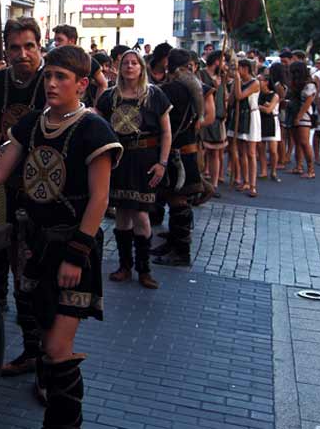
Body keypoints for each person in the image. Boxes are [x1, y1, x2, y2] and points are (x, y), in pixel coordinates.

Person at [0, 45, 121, 427]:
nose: (51, 84)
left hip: (74, 250)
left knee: (56, 347)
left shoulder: (94, 129)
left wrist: (76, 254)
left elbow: (100, 199)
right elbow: (2, 171)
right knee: (44, 343)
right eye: (49, 76)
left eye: (61, 78)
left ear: (82, 84)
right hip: (36, 246)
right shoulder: (34, 123)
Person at [0, 17, 47, 374]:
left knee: (33, 271)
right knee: (1, 244)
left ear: (40, 46)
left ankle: (38, 350)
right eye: (16, 47)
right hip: (6, 177)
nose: (22, 54)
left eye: (29, 46)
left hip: (44, 187)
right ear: (6, 48)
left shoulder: (52, 80)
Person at [96, 49, 170, 290]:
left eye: (134, 63)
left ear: (141, 67)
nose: (129, 66)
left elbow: (166, 132)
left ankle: (144, 269)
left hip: (145, 160)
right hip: (119, 159)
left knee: (141, 213)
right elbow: (95, 122)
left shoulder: (154, 95)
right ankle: (124, 265)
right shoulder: (110, 96)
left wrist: (162, 163)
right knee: (122, 213)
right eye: (126, 62)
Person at [153, 49, 204, 266]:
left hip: (179, 152)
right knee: (174, 197)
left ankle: (181, 251)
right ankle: (174, 242)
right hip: (184, 149)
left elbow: (167, 122)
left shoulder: (174, 89)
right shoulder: (189, 87)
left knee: (178, 199)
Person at [233, 59, 261, 196]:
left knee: (251, 152)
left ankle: (253, 184)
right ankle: (245, 181)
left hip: (251, 117)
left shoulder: (255, 82)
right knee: (241, 151)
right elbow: (233, 98)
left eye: (239, 68)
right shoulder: (238, 82)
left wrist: (237, 81)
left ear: (245, 69)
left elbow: (240, 96)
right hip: (240, 116)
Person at [201, 50, 227, 188]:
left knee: (215, 153)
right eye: (223, 61)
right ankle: (200, 181)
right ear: (217, 61)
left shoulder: (222, 76)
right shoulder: (201, 74)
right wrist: (214, 87)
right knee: (202, 151)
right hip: (205, 118)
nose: (224, 64)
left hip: (218, 118)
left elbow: (224, 97)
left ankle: (214, 184)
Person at [288, 60, 317, 180]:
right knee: (297, 142)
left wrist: (299, 116)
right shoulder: (295, 83)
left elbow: (308, 102)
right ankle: (298, 166)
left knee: (304, 142)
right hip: (294, 113)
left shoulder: (309, 85)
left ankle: (311, 169)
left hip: (304, 115)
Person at [257, 71, 282, 182]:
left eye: (260, 80)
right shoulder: (258, 94)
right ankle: (263, 171)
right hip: (260, 120)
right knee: (261, 148)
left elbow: (269, 110)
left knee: (272, 149)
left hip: (271, 121)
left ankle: (273, 170)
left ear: (266, 82)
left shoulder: (274, 95)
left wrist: (258, 107)